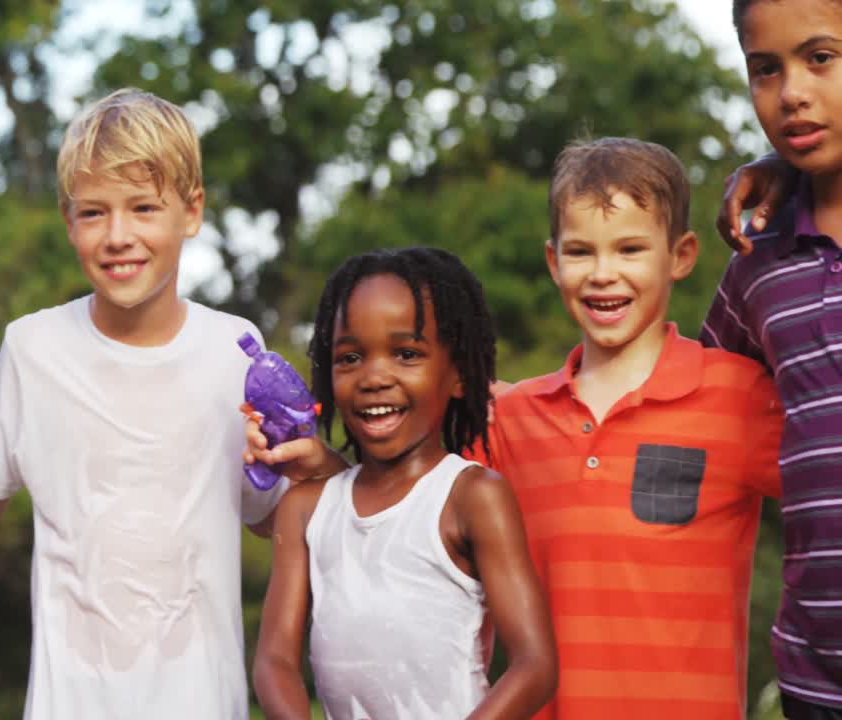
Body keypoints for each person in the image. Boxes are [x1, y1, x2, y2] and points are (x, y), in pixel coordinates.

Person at [248, 137, 784, 718]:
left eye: (630, 249)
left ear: (680, 255)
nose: (604, 274)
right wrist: (324, 465)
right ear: (554, 262)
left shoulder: (738, 397)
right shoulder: (509, 420)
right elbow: (398, 503)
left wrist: (794, 177)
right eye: (581, 252)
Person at [0, 87, 284, 718]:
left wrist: (291, 464)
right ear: (69, 223)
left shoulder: (238, 350)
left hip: (202, 701)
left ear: (192, 211)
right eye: (94, 213)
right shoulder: (30, 348)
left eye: (144, 207)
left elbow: (266, 514)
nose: (118, 236)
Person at [252, 247, 557, 719]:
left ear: (457, 374)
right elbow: (274, 660)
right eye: (350, 357)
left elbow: (534, 665)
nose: (375, 377)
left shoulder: (473, 498)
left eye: (406, 354)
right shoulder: (305, 510)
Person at [699, 2, 842, 715]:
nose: (791, 92)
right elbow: (683, 406)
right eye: (766, 69)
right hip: (816, 684)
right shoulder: (758, 265)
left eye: (822, 58)